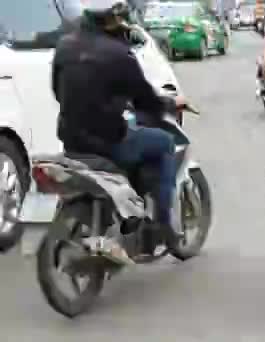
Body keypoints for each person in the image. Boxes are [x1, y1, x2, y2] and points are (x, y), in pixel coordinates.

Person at [52, 0, 186, 259]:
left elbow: (58, 92)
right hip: (109, 143)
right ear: (112, 19)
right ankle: (163, 224)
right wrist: (167, 105)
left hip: (71, 141)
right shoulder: (119, 54)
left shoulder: (64, 46)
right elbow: (146, 101)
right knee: (164, 143)